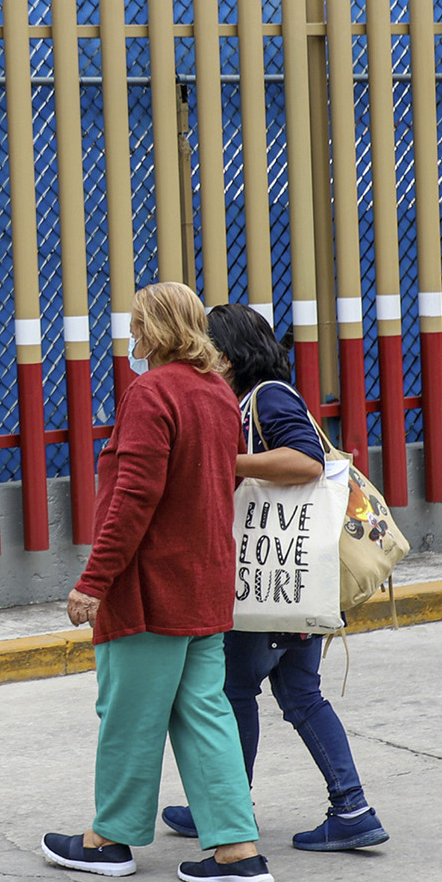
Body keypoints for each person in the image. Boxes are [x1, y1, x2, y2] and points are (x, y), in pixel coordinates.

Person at [42, 282, 275, 882]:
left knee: (128, 714)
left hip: (150, 587)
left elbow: (133, 499)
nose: (132, 336)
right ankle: (237, 851)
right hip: (204, 583)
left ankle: (107, 840)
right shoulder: (218, 394)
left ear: (159, 329)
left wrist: (95, 581)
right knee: (206, 715)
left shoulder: (152, 393)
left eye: (139, 324)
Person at [159, 303, 390, 850]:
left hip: (273, 576)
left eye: (206, 345)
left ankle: (228, 809)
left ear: (230, 351)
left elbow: (307, 462)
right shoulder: (245, 400)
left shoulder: (269, 397)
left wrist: (224, 460)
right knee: (300, 695)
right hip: (291, 580)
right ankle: (351, 808)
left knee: (234, 692)